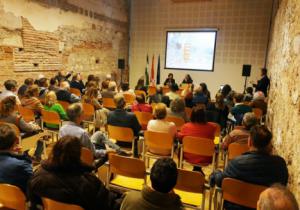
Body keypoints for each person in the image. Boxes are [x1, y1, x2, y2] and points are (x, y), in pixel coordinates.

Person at [28, 136, 120, 210]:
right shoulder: (88, 182)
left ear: (54, 151)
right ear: (78, 155)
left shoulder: (37, 176)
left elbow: (33, 203)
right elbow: (107, 205)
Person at [210, 125, 288, 210]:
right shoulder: (280, 166)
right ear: (269, 145)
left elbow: (221, 181)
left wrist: (215, 173)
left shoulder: (236, 163)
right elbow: (282, 187)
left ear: (249, 142)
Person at [59, 103, 124, 159]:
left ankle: (118, 150)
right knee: (105, 147)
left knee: (99, 133)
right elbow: (93, 153)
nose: (84, 113)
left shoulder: (62, 129)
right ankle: (118, 151)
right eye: (82, 112)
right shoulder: (82, 133)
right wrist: (106, 151)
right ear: (78, 116)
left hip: (70, 157)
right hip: (83, 160)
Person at [0, 124, 32, 193]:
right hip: (18, 200)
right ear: (15, 142)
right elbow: (32, 181)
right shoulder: (20, 164)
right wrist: (22, 155)